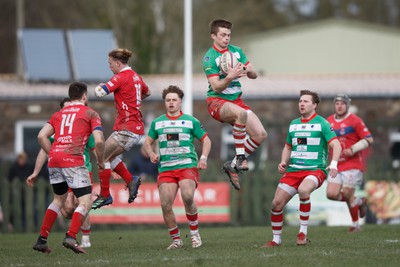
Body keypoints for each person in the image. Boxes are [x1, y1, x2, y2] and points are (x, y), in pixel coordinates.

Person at [32, 82, 105, 254]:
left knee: (58, 200)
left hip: (55, 160)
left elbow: (41, 136)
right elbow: (100, 140)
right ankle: (71, 236)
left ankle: (42, 239)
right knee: (85, 201)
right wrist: (101, 161)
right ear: (85, 96)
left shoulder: (59, 114)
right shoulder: (90, 113)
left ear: (70, 96)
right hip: (73, 159)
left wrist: (52, 154)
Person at [263, 90, 342, 247]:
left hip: (315, 169)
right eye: (300, 101)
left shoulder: (323, 123)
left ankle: (302, 233)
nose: (301, 104)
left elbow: (336, 144)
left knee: (304, 190)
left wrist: (333, 164)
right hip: (293, 171)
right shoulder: (294, 124)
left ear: (314, 105)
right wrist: (283, 161)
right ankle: (276, 240)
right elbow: (287, 147)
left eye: (306, 101)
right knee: (276, 204)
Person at [142, 85, 211, 250]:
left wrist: (203, 158)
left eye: (174, 100)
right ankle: (176, 240)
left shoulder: (190, 121)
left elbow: (206, 140)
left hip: (187, 164)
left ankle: (194, 234)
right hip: (166, 168)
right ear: (165, 102)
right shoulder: (158, 123)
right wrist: (151, 153)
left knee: (187, 197)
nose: (171, 103)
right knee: (165, 205)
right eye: (168, 100)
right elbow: (147, 142)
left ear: (180, 102)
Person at [202, 19, 267, 190]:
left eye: (229, 35)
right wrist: (230, 76)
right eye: (223, 35)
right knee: (241, 114)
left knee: (260, 134)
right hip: (216, 102)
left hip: (237, 101)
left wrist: (245, 70)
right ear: (213, 36)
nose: (226, 38)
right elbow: (216, 87)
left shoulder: (237, 52)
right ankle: (239, 157)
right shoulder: (210, 57)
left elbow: (253, 74)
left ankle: (231, 165)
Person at [92, 48, 151, 209]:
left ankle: (105, 195)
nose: (109, 67)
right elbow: (147, 92)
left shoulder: (120, 77)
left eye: (110, 64)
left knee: (101, 156)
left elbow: (99, 93)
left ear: (118, 63)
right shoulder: (136, 77)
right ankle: (130, 180)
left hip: (127, 128)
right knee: (108, 157)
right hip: (135, 127)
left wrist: (99, 86)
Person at [326, 94, 373, 232]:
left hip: (353, 165)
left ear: (347, 105)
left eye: (342, 103)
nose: (339, 106)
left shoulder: (355, 120)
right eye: (337, 103)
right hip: (336, 164)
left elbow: (369, 139)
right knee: (331, 194)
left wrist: (353, 149)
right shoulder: (328, 121)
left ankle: (355, 225)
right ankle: (359, 201)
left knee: (347, 193)